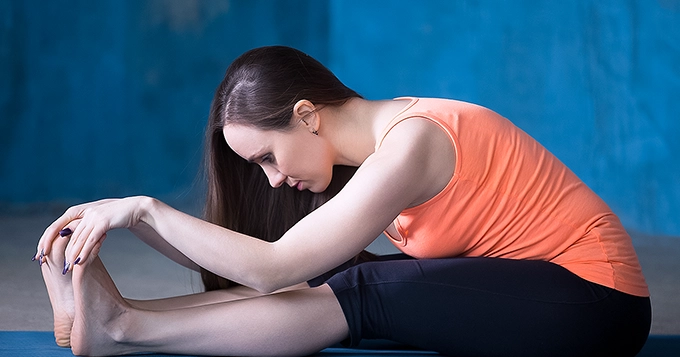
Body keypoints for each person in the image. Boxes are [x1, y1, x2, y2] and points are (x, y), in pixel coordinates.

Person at [34, 45, 651, 357]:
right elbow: (275, 259)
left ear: (305, 116)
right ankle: (116, 313)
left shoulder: (414, 143)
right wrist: (111, 226)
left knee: (359, 292)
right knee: (339, 270)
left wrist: (140, 209)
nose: (272, 180)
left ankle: (123, 327)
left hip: (595, 303)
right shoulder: (383, 148)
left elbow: (273, 267)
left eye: (268, 158)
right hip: (534, 289)